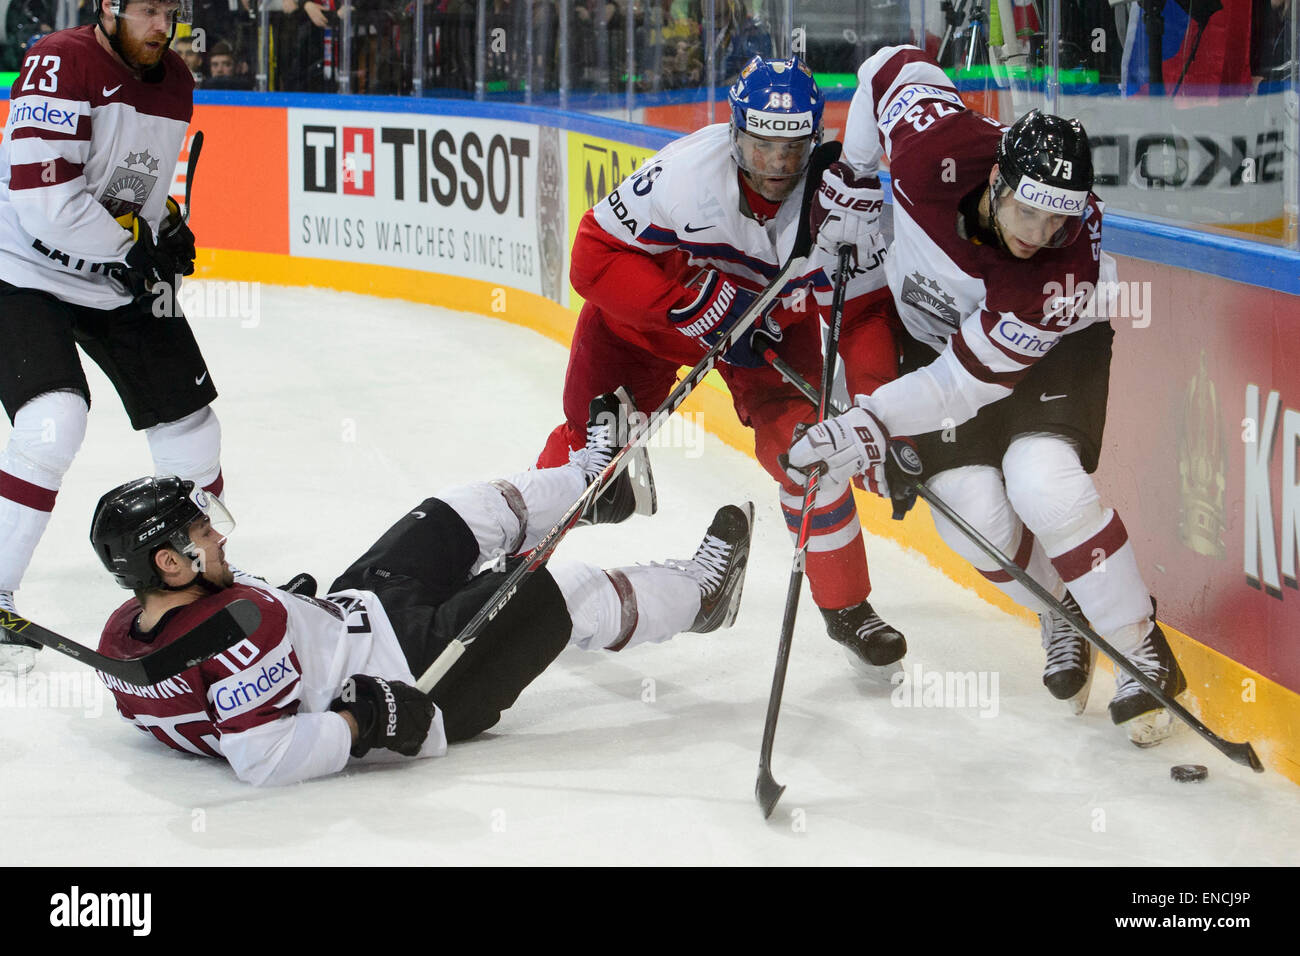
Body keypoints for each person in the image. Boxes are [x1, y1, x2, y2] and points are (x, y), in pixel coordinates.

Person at [788, 44, 1186, 747]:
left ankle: (1140, 645)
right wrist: (852, 172)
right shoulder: (932, 146)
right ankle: (1061, 607)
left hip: (1052, 351)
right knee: (971, 516)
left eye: (1057, 222)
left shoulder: (1056, 273)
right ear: (997, 178)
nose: (1038, 236)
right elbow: (886, 68)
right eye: (1029, 213)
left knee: (1043, 481)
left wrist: (870, 423)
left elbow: (961, 386)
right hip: (936, 342)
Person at [91, 391, 755, 786]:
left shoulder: (127, 635)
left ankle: (594, 484)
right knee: (561, 590)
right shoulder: (237, 640)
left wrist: (295, 619)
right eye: (203, 537)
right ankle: (701, 596)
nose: (220, 540)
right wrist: (359, 723)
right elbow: (261, 756)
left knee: (459, 509)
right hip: (419, 674)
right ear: (170, 565)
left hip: (359, 613)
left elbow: (194, 703)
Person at [537, 55, 906, 678]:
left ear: (814, 143)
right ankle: (520, 556)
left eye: (791, 153)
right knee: (590, 447)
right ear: (735, 134)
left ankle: (847, 607)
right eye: (760, 147)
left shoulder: (845, 207)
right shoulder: (686, 175)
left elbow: (866, 314)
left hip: (769, 337)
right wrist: (687, 305)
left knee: (807, 452)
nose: (775, 169)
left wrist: (881, 408)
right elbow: (591, 259)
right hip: (656, 322)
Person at [0, 0, 213, 675]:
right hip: (20, 268)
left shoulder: (174, 79)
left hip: (112, 274)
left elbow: (129, 182)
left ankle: (197, 575)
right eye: (147, 10)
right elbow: (45, 203)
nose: (161, 26)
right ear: (108, 8)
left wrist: (165, 223)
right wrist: (132, 244)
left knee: (191, 422)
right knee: (53, 421)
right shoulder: (61, 59)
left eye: (170, 11)